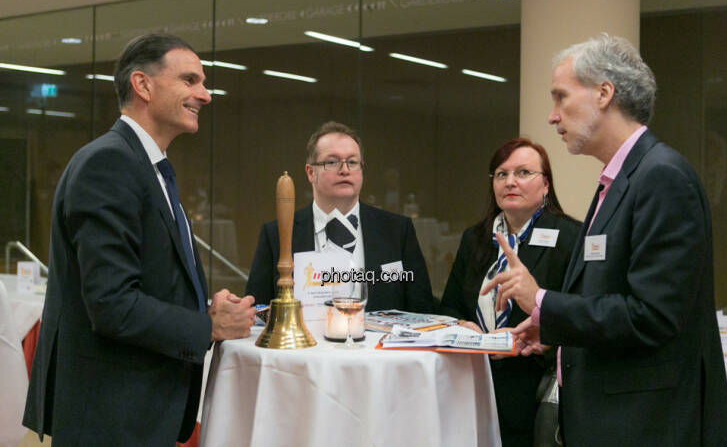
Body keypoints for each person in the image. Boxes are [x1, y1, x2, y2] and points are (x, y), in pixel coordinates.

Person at [484, 34, 727, 445]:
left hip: (644, 426)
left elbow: (651, 315)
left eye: (561, 97)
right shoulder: (620, 180)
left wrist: (542, 301)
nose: (552, 116)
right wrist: (551, 327)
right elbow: (610, 298)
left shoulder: (661, 177)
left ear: (604, 93)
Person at [23, 33, 256, 445]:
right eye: (190, 80)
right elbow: (112, 304)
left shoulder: (145, 166)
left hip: (135, 412)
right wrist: (208, 325)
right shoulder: (110, 163)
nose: (205, 95)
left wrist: (203, 305)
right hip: (112, 415)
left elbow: (143, 278)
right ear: (142, 85)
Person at [439, 138, 580, 447]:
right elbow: (449, 306)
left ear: (545, 185)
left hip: (533, 388)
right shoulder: (475, 238)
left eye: (523, 172)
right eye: (501, 174)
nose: (510, 181)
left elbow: (580, 313)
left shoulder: (571, 237)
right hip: (473, 382)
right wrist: (460, 325)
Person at [246, 121, 434, 313]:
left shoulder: (397, 230)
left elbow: (423, 310)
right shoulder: (278, 234)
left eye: (352, 162)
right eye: (332, 162)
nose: (345, 170)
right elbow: (257, 311)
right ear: (311, 173)